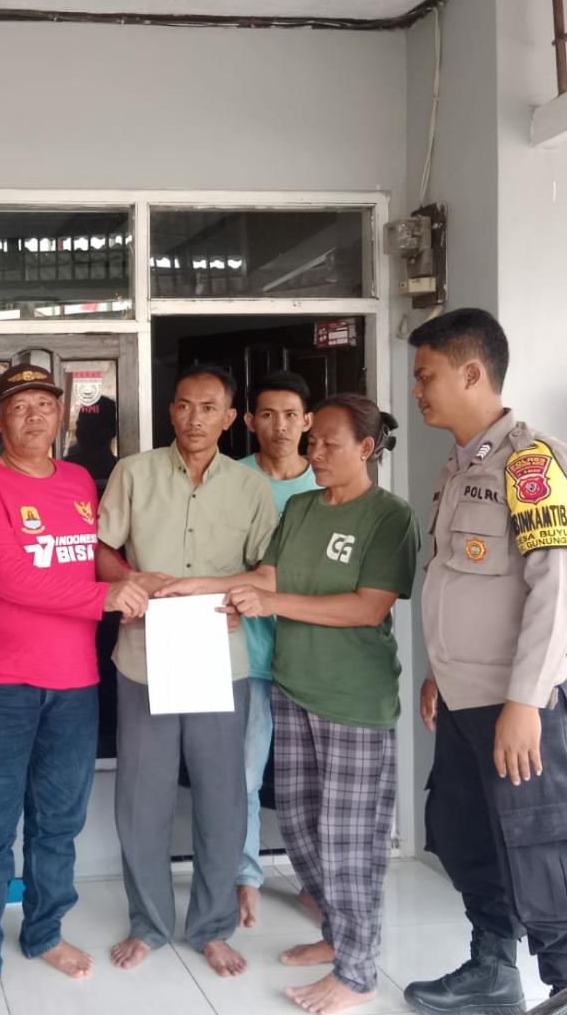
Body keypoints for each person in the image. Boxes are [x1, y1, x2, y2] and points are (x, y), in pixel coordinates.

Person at [164, 394, 418, 1014]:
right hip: (293, 686)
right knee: (303, 829)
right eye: (314, 442)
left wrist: (272, 605)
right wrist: (202, 587)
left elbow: (368, 607)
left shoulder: (389, 516)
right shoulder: (303, 507)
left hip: (353, 699)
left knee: (350, 840)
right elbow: (268, 576)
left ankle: (357, 972)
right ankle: (336, 933)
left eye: (330, 443)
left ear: (366, 448)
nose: (316, 452)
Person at [405, 308, 567, 1015]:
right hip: (465, 700)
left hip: (521, 707)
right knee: (471, 841)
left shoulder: (532, 464)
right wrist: (439, 672)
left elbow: (555, 592)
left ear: (472, 373)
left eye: (426, 375)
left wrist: (526, 700)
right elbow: (461, 586)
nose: (418, 390)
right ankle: (493, 970)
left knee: (547, 853)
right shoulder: (461, 466)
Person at [0, 363, 149, 1004]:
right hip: (2, 683)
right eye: (20, 406)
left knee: (58, 821)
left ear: (61, 415)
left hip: (74, 683)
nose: (34, 416)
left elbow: (91, 556)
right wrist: (105, 597)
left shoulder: (77, 482)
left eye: (44, 404)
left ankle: (43, 932)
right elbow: (9, 577)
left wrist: (140, 582)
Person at [97, 363, 278, 978]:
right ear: (170, 410)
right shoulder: (134, 473)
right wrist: (130, 581)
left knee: (222, 798)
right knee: (141, 800)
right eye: (183, 405)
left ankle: (211, 926)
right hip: (144, 655)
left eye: (208, 408)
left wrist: (230, 594)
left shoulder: (250, 487)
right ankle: (148, 923)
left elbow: (268, 571)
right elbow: (100, 548)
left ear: (230, 418)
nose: (193, 418)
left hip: (219, 658)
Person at [235, 371, 318, 929]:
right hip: (246, 655)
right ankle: (246, 878)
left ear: (307, 421)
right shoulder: (232, 479)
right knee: (243, 775)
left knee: (309, 781)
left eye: (291, 415)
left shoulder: (327, 481)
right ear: (249, 421)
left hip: (309, 659)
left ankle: (314, 882)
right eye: (267, 414)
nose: (280, 426)